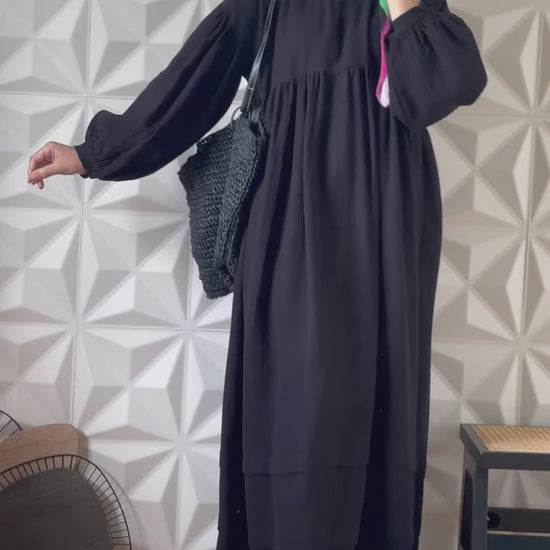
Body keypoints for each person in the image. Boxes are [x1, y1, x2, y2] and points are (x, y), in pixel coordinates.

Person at [26, 0, 487, 548]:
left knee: (379, 411)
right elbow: (191, 84)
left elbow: (442, 86)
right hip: (289, 226)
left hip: (387, 232)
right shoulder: (268, 5)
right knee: (294, 409)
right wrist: (92, 155)